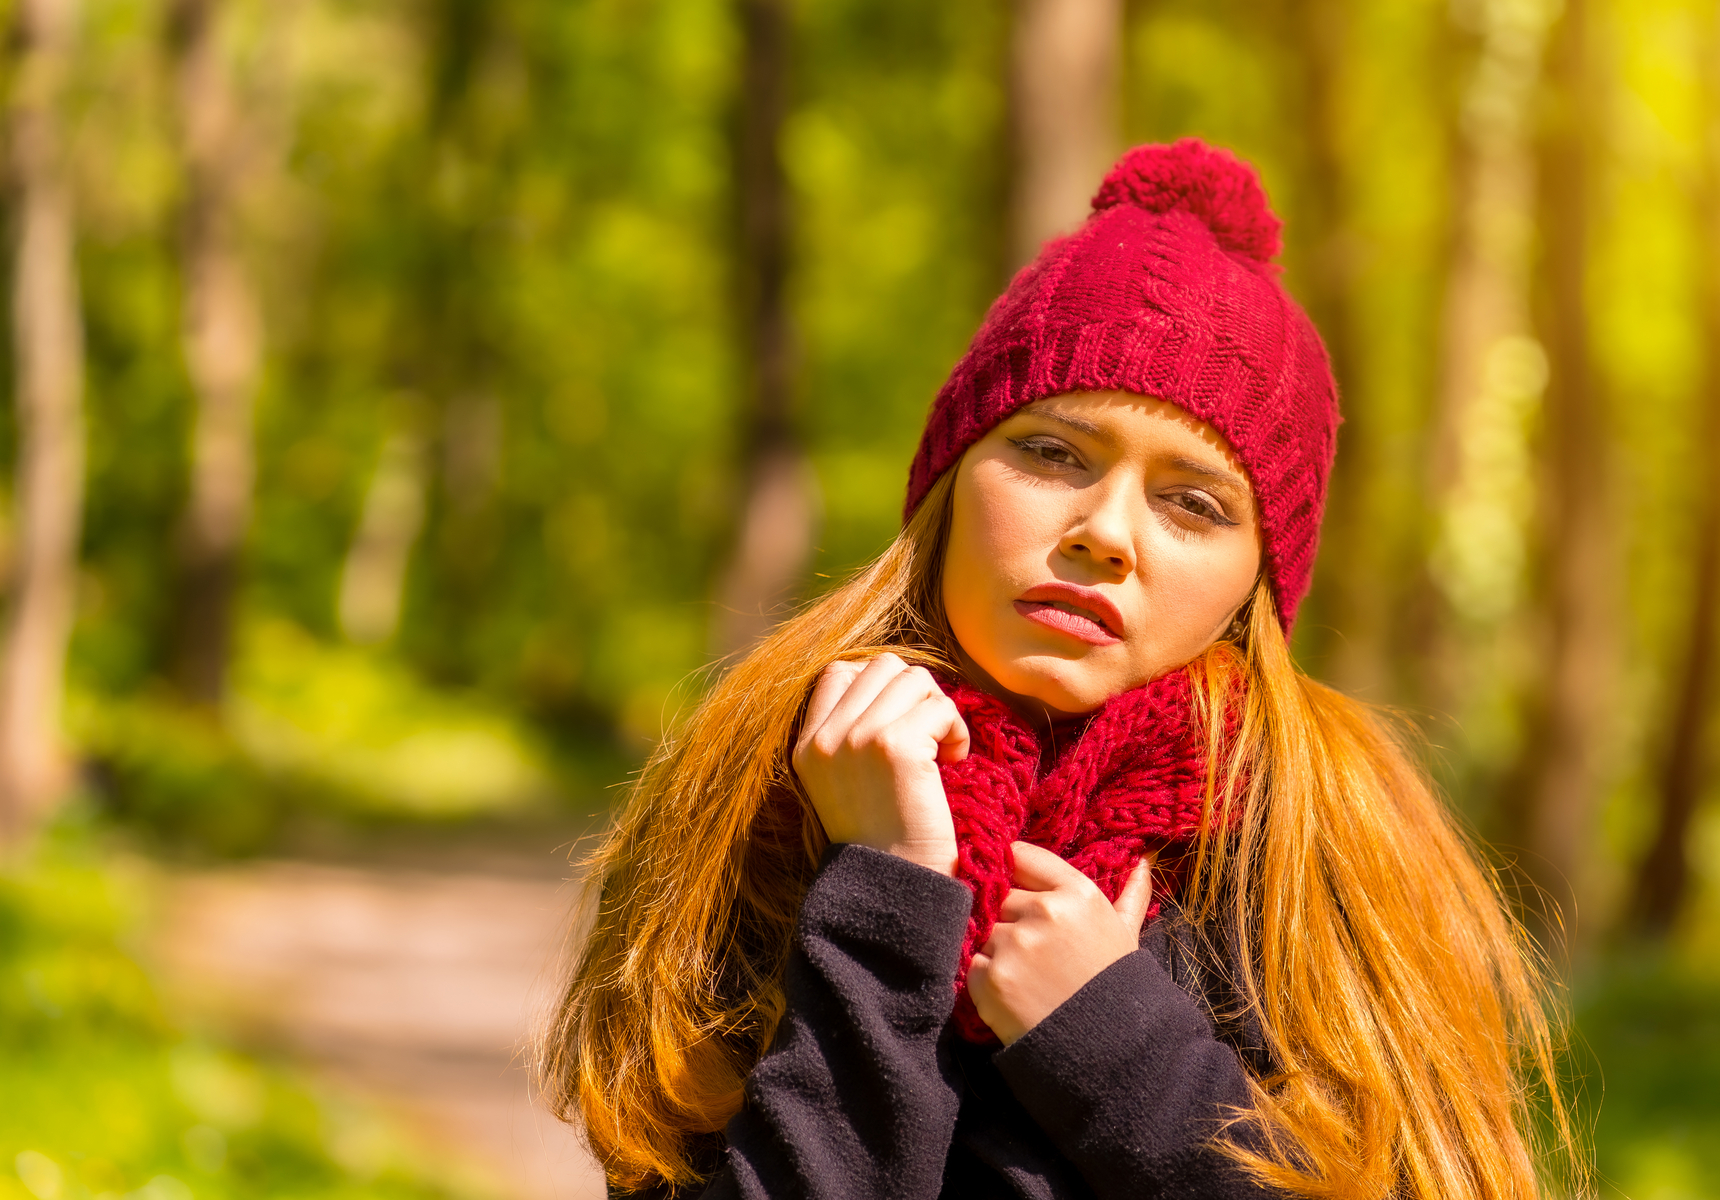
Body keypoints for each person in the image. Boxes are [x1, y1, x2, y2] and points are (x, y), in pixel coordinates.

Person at [544, 139, 1577, 1200]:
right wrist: (884, 903)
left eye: (1193, 503)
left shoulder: (1323, 845)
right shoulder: (771, 779)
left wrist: (1118, 1047)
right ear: (951, 479)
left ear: (1254, 589)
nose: (1106, 533)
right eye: (1053, 454)